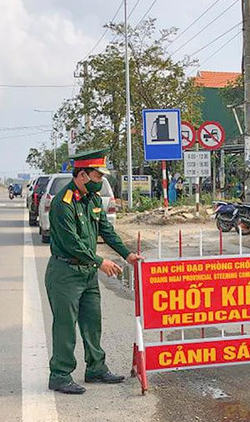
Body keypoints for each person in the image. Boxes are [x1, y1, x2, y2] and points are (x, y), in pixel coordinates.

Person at [45, 149, 143, 395]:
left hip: (87, 273)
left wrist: (127, 254)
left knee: (92, 322)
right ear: (82, 175)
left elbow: (106, 232)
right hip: (65, 272)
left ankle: (96, 368)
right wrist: (101, 261)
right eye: (98, 176)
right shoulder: (62, 203)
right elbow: (71, 243)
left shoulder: (93, 200)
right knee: (65, 326)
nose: (102, 181)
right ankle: (60, 374)